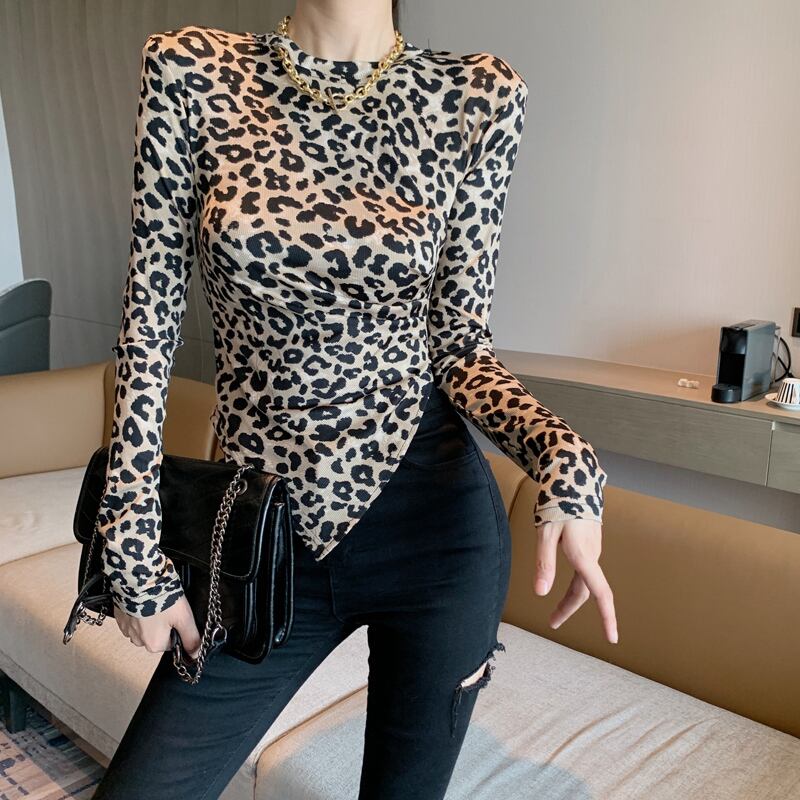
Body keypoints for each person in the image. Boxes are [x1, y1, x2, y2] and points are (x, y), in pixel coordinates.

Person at [91, 1, 617, 797]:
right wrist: (129, 534)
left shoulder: (479, 93)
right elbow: (149, 318)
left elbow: (461, 347)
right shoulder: (190, 68)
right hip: (262, 535)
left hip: (435, 533)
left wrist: (563, 457)